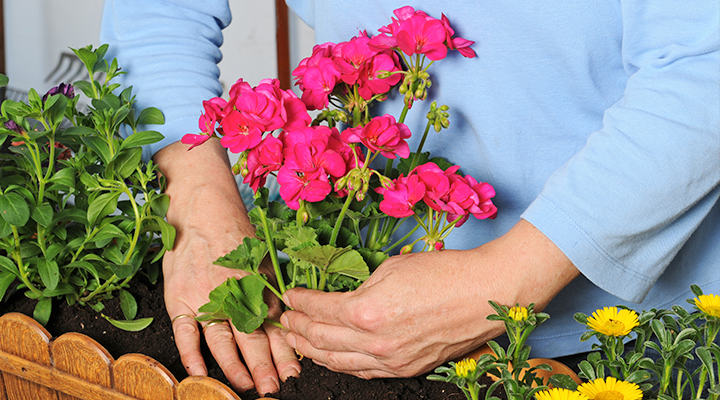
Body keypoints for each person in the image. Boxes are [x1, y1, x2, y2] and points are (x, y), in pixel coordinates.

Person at [100, 0, 720, 395]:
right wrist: (200, 204)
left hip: (631, 337)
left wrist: (507, 279)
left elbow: (704, 66)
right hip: (358, 297)